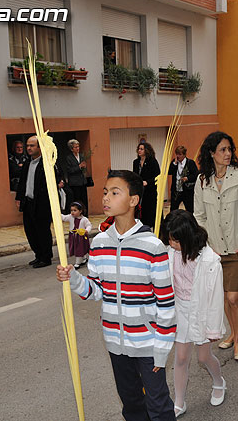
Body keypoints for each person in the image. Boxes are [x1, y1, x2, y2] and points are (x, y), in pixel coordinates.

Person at [56, 170, 176, 421]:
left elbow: (166, 303)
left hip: (148, 344)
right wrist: (74, 279)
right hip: (115, 342)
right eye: (104, 192)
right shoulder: (99, 243)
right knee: (131, 404)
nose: (106, 198)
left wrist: (162, 349)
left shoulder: (152, 246)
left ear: (133, 200)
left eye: (114, 192)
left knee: (158, 404)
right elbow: (97, 290)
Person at [194, 132, 238, 362]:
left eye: (229, 149)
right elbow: (199, 217)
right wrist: (206, 246)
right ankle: (232, 333)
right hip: (215, 250)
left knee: (234, 297)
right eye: (222, 150)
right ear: (211, 153)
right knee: (224, 296)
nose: (228, 154)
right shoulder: (202, 180)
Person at [158, 210, 226, 417]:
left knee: (204, 357)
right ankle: (179, 402)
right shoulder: (170, 253)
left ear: (187, 237)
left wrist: (214, 327)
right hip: (179, 310)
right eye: (169, 239)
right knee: (180, 358)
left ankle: (219, 382)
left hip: (201, 312)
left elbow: (215, 298)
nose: (171, 244)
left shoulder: (209, 261)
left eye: (175, 240)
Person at [15, 136, 55, 268]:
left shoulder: (47, 164)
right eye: (27, 146)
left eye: (32, 146)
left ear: (39, 147)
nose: (29, 148)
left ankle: (46, 257)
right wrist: (19, 198)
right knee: (30, 231)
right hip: (28, 202)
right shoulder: (27, 163)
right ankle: (38, 255)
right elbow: (22, 183)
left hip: (42, 203)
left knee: (42, 230)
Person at [133, 142, 161, 228]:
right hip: (140, 190)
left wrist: (147, 182)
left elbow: (157, 175)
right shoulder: (136, 162)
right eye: (139, 149)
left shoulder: (152, 161)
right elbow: (135, 175)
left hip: (150, 190)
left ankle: (151, 226)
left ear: (146, 150)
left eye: (141, 149)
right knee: (140, 210)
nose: (139, 151)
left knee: (150, 210)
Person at [61, 201, 92, 268]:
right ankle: (83, 258)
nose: (72, 212)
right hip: (73, 236)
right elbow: (63, 218)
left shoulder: (84, 219)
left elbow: (89, 225)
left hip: (81, 236)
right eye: (71, 210)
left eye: (75, 210)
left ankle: (77, 263)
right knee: (76, 248)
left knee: (80, 248)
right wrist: (57, 213)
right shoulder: (70, 217)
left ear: (80, 211)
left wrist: (86, 230)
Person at [168, 146, 198, 213]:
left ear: (184, 155)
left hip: (187, 190)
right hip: (176, 191)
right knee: (173, 210)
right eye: (177, 154)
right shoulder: (174, 162)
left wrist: (187, 178)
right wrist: (174, 164)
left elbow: (196, 174)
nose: (178, 156)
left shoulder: (190, 163)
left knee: (190, 209)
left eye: (180, 154)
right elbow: (169, 172)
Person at [65, 139, 89, 215]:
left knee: (84, 199)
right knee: (77, 200)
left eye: (78, 147)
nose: (78, 148)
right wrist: (79, 166)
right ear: (72, 149)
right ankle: (76, 214)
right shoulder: (69, 158)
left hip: (82, 181)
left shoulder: (81, 156)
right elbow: (69, 170)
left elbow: (83, 168)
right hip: (75, 183)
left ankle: (85, 214)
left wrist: (84, 167)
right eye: (75, 147)